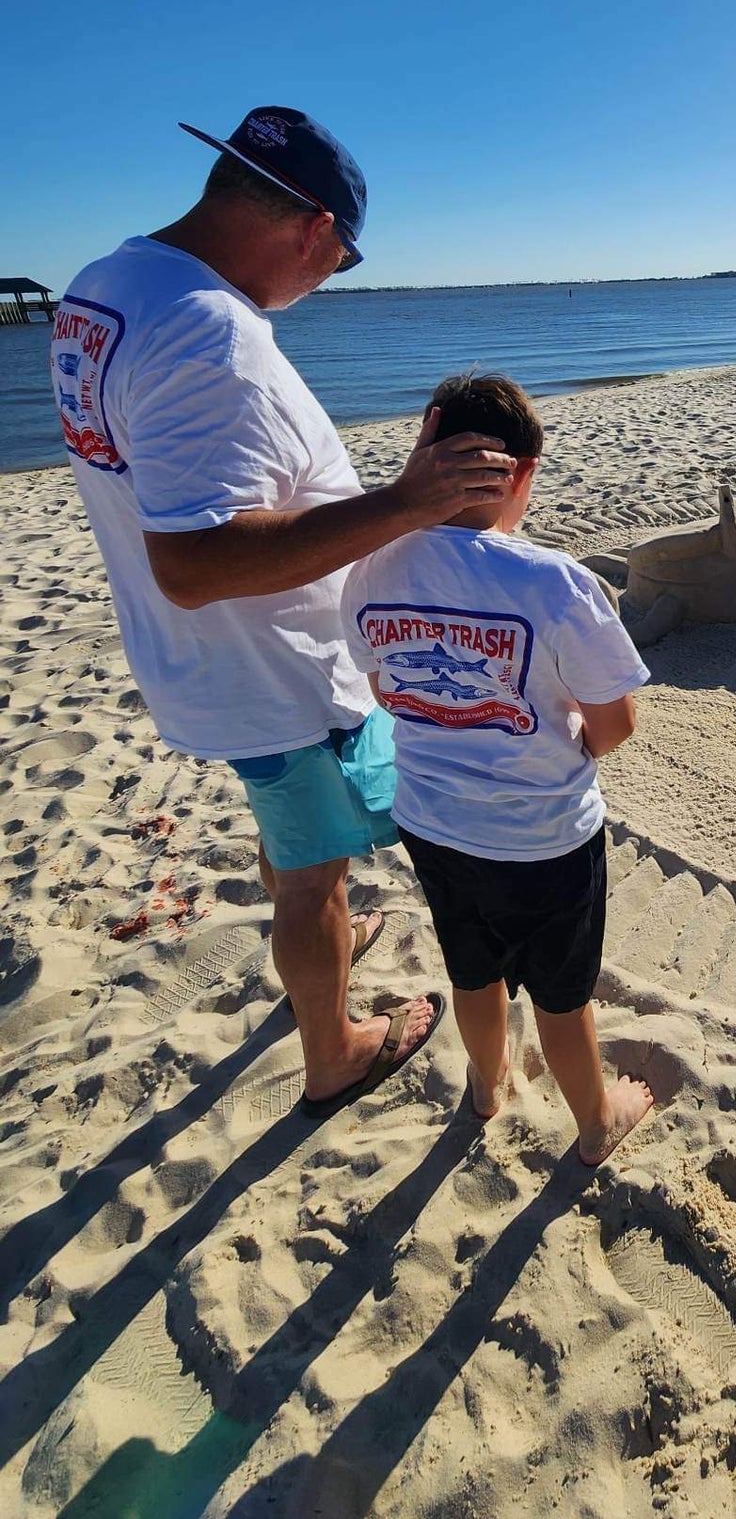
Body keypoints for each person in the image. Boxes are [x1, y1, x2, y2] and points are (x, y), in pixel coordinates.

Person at [51, 108, 515, 1118]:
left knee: (296, 845)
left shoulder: (109, 281)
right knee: (314, 879)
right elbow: (192, 561)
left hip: (207, 664)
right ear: (313, 229)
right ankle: (334, 1050)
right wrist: (404, 502)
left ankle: (319, 955)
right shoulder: (203, 330)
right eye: (340, 264)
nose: (325, 284)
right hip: (275, 674)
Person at [341, 373, 655, 1165]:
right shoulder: (554, 582)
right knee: (562, 994)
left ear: (426, 453)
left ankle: (485, 1085)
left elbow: (385, 686)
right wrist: (578, 741)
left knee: (472, 971)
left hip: (435, 824)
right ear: (524, 472)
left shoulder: (371, 567)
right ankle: (594, 1125)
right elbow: (615, 721)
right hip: (545, 836)